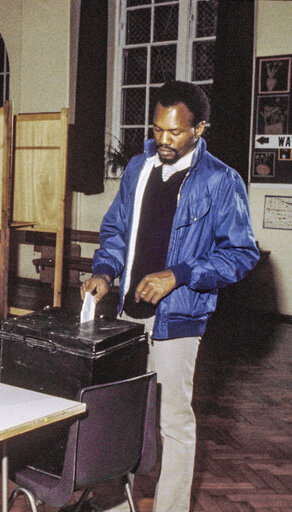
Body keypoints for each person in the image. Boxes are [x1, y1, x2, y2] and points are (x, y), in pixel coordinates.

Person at [81, 81, 260, 512]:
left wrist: (178, 275)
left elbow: (241, 253)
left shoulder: (221, 180)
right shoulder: (138, 169)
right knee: (120, 414)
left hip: (177, 320)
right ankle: (119, 501)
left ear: (200, 128)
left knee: (173, 423)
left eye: (175, 132)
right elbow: (116, 230)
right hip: (128, 316)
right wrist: (106, 271)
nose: (163, 140)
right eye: (158, 129)